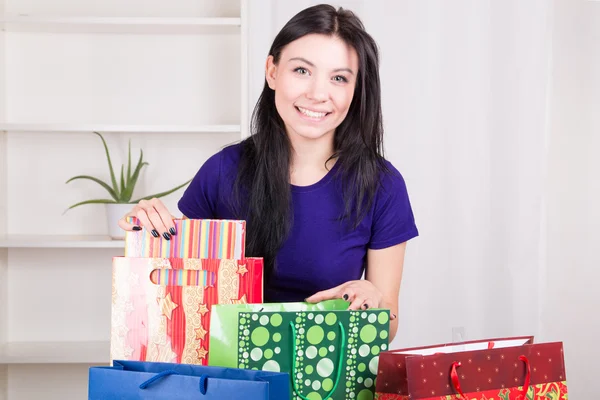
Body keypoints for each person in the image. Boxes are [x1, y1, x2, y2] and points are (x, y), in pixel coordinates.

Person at [118, 4, 418, 340]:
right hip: (232, 380)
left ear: (356, 89)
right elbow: (181, 294)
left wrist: (374, 304)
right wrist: (149, 233)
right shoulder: (223, 171)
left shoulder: (382, 185)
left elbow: (389, 324)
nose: (318, 94)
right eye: (302, 71)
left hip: (328, 379)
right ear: (272, 71)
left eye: (338, 78)